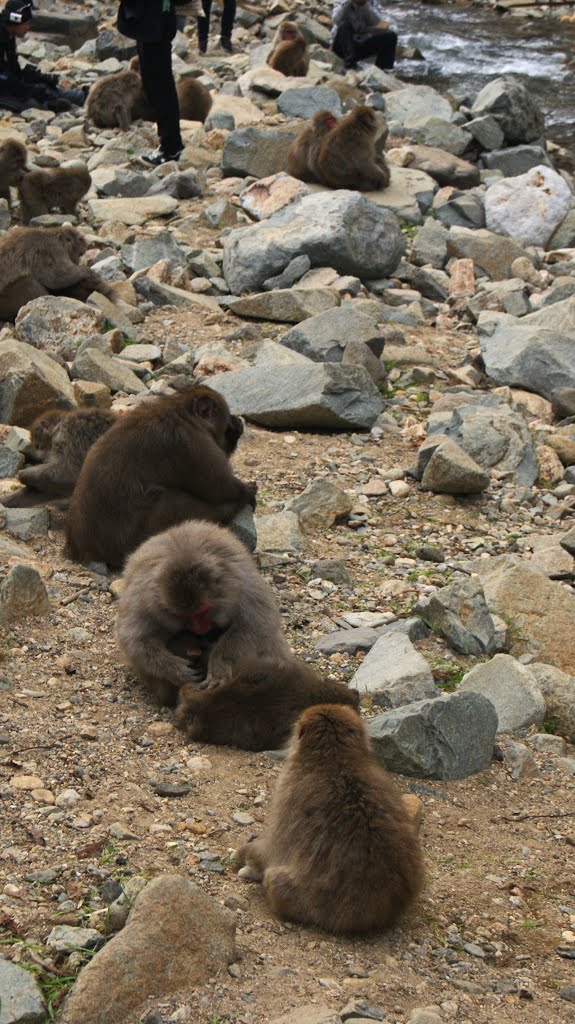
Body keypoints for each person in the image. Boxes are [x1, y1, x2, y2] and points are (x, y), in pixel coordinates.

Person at [117, 0, 184, 165]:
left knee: (160, 85)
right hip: (151, 22)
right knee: (153, 83)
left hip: (156, 21)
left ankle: (171, 146)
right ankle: (169, 144)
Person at [0, 0, 86, 114]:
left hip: (8, 85)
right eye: (25, 23)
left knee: (45, 89)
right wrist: (30, 90)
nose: (28, 27)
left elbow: (12, 70)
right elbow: (4, 78)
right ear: (15, 20)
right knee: (34, 102)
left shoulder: (8, 35)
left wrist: (35, 77)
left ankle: (83, 97)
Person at [331, 0, 397, 72]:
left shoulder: (364, 6)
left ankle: (382, 70)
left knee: (390, 36)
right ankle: (349, 67)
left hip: (356, 44)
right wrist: (349, 3)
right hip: (341, 47)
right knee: (345, 25)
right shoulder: (341, 2)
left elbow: (376, 22)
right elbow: (336, 19)